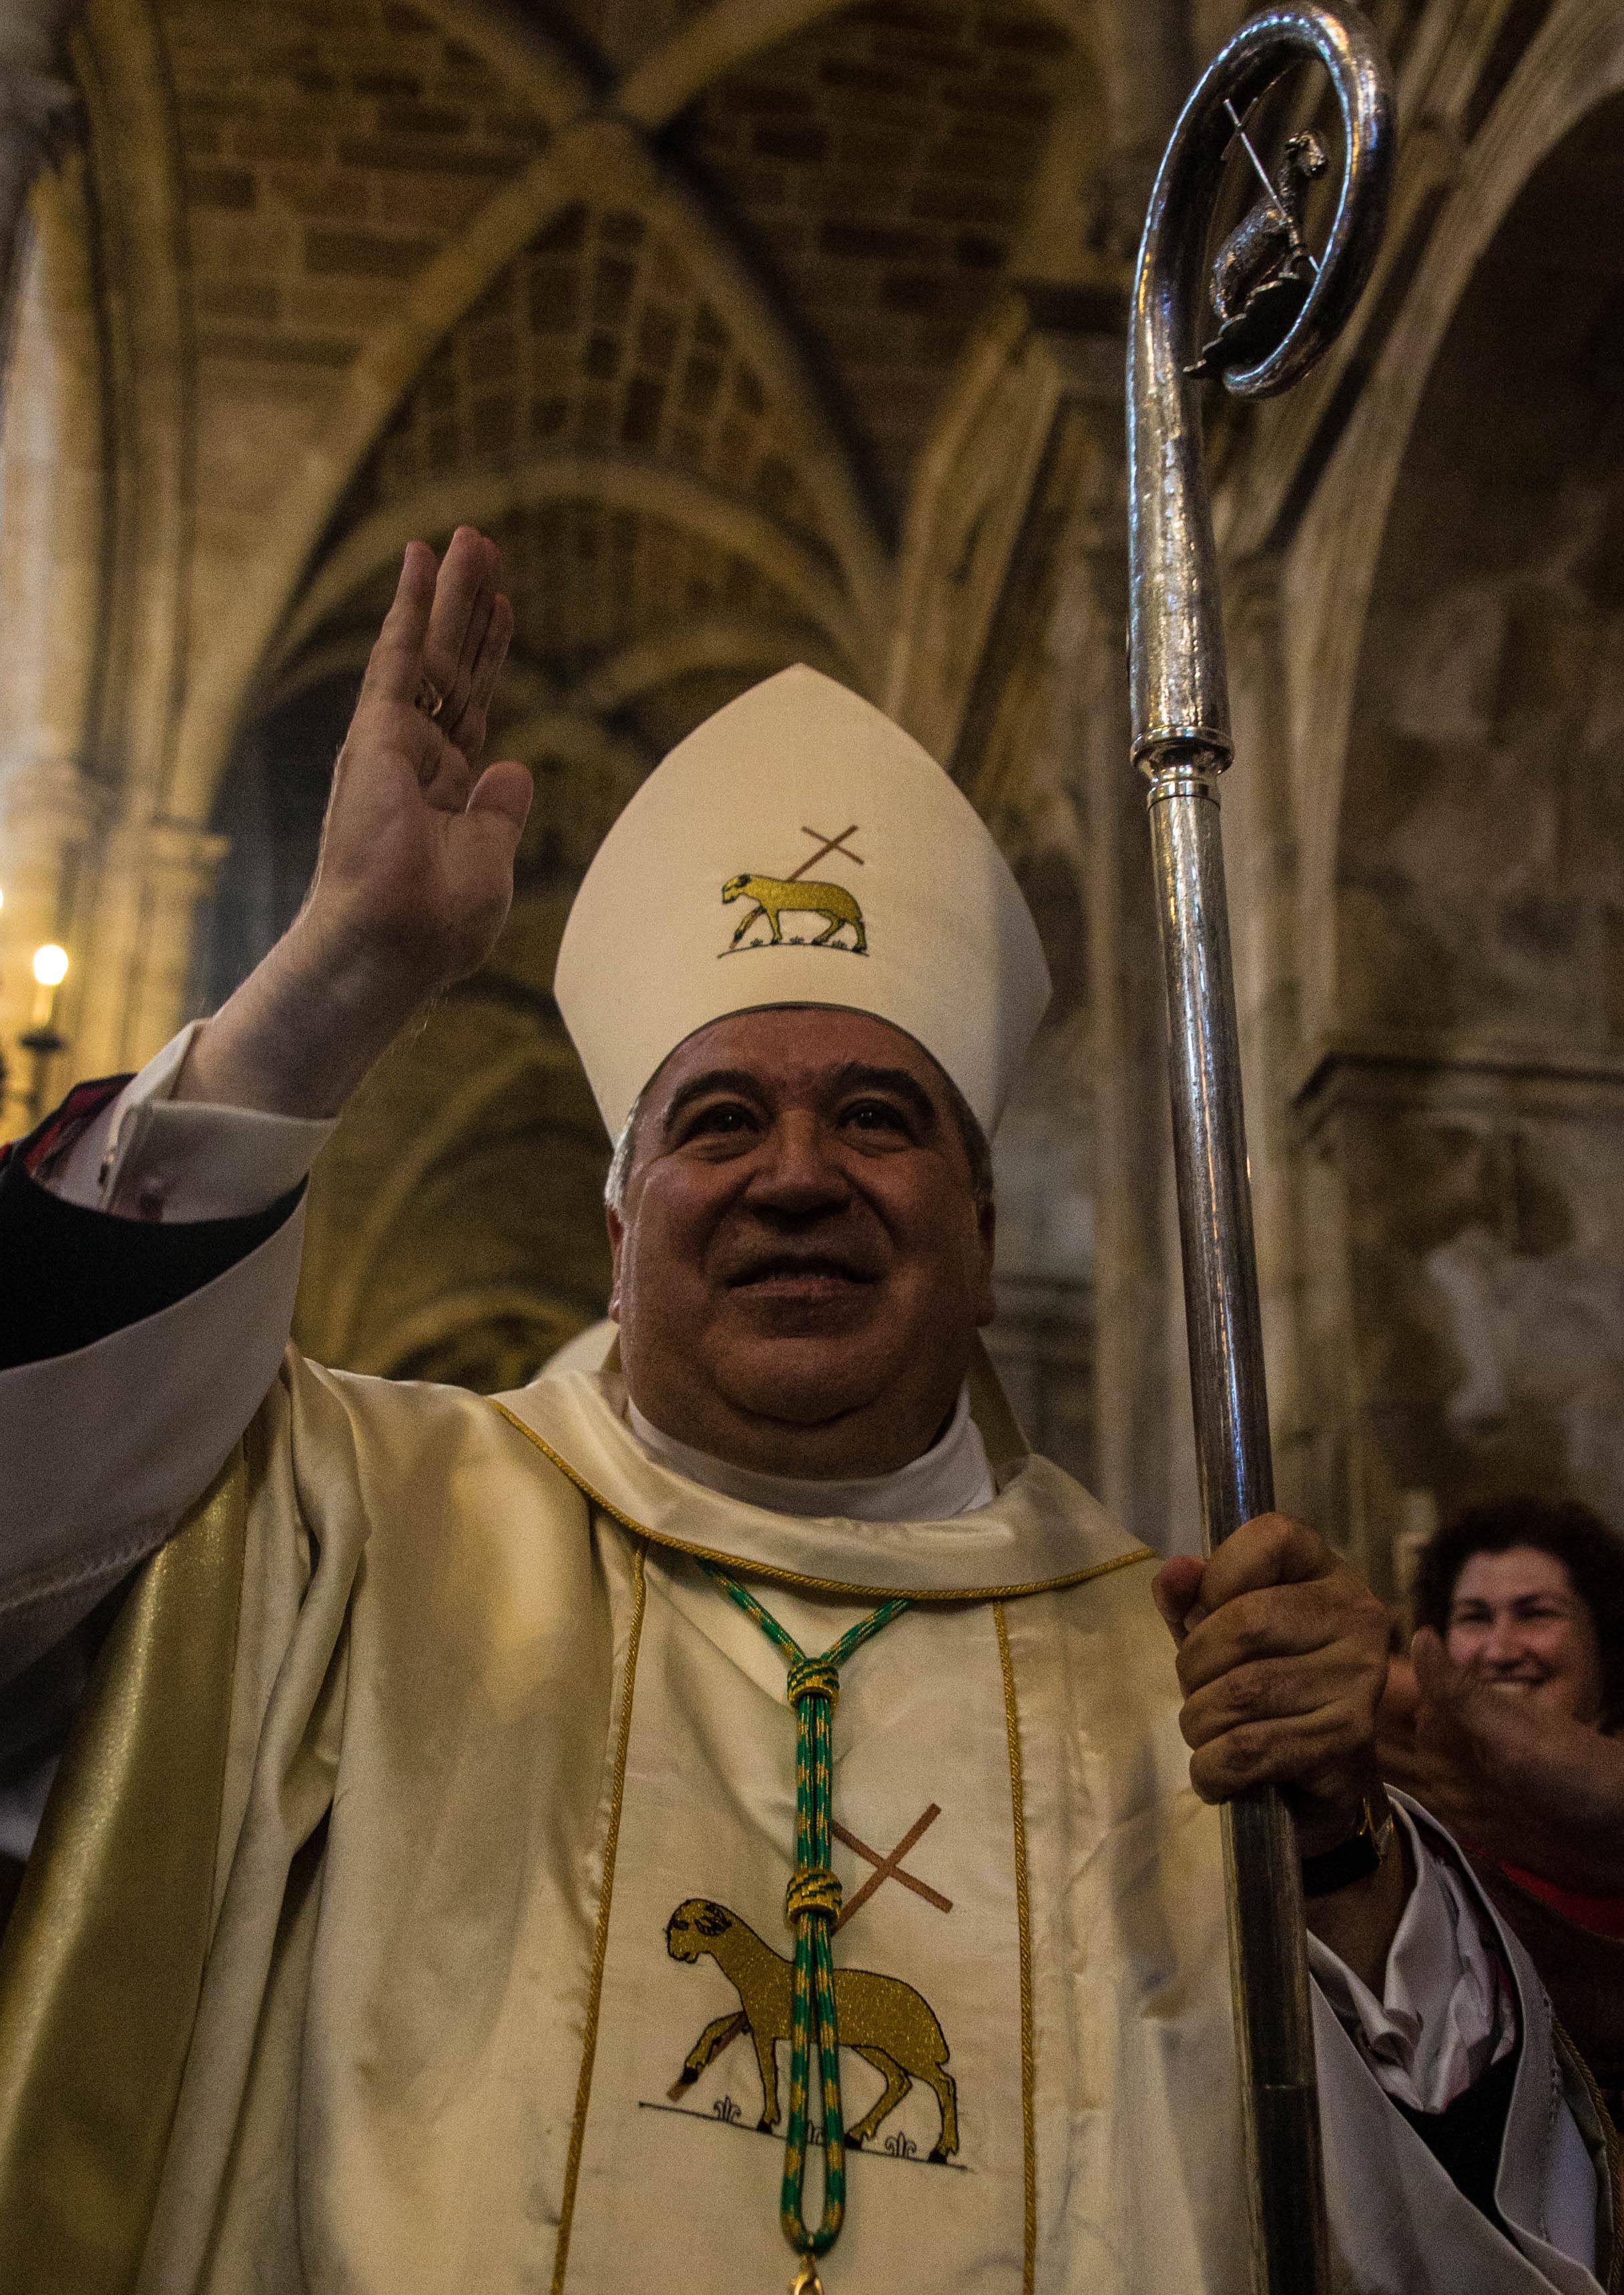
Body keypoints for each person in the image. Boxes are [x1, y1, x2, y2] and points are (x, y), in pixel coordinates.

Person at [0, 529, 1611, 2295]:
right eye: (714, 1122)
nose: (796, 1175)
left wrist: (1344, 1855)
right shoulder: (343, 1522)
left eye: (876, 1113)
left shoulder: (1181, 1674)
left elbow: (1486, 2244)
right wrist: (333, 980)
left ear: (985, 1236)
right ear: (616, 1234)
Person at [1381, 1497, 1624, 2123]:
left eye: (1536, 1614)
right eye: (1472, 1618)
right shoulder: (1423, 1802)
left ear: (1604, 1637)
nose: (1499, 1648)